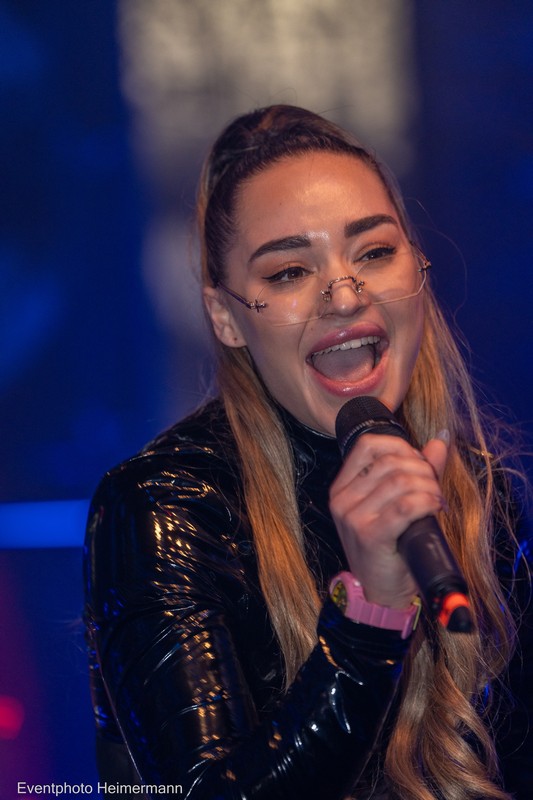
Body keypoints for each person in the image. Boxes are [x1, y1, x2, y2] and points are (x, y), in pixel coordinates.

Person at [84, 105, 532, 799]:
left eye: (374, 252)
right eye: (290, 271)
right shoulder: (167, 509)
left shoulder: (480, 490)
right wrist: (372, 613)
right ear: (226, 316)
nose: (345, 296)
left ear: (418, 268)